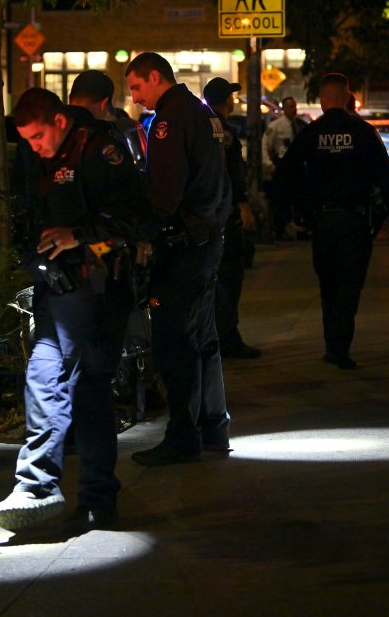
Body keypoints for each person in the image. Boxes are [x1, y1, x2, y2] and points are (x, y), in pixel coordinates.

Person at [0, 88, 152, 533]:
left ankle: (95, 498)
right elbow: (31, 216)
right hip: (56, 290)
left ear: (60, 121)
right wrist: (36, 259)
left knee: (88, 393)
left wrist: (81, 238)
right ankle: (35, 487)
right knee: (43, 381)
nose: (34, 147)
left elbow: (134, 221)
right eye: (27, 140)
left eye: (38, 137)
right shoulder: (36, 153)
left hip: (99, 290)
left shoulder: (102, 148)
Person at [125, 52, 232, 465]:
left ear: (156, 78)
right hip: (208, 238)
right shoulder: (203, 114)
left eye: (136, 86)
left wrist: (145, 234)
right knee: (204, 338)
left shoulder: (170, 121)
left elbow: (165, 194)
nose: (135, 97)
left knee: (174, 341)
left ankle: (183, 435)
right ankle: (213, 427)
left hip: (184, 245)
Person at [281, 73, 389, 370]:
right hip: (356, 221)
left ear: (322, 100)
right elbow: (387, 177)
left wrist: (295, 213)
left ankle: (332, 346)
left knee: (328, 285)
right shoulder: (363, 132)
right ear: (347, 98)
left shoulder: (311, 133)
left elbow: (286, 173)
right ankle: (340, 348)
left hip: (323, 221)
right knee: (349, 285)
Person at [202, 77, 261, 360]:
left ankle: (223, 336)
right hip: (225, 214)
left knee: (222, 279)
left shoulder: (208, 126)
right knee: (229, 277)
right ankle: (228, 338)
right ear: (226, 100)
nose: (234, 99)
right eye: (232, 95)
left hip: (214, 214)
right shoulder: (221, 130)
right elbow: (231, 174)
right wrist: (242, 203)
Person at [69, 69, 147, 166]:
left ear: (69, 98)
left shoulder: (53, 130)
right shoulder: (106, 138)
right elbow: (128, 177)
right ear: (104, 104)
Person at [266, 96, 307, 239]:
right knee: (282, 199)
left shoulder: (300, 125)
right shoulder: (275, 126)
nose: (293, 109)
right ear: (284, 109)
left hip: (298, 167)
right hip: (282, 166)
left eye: (294, 106)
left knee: (299, 198)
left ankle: (300, 227)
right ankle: (281, 229)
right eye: (290, 107)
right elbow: (265, 146)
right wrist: (269, 165)